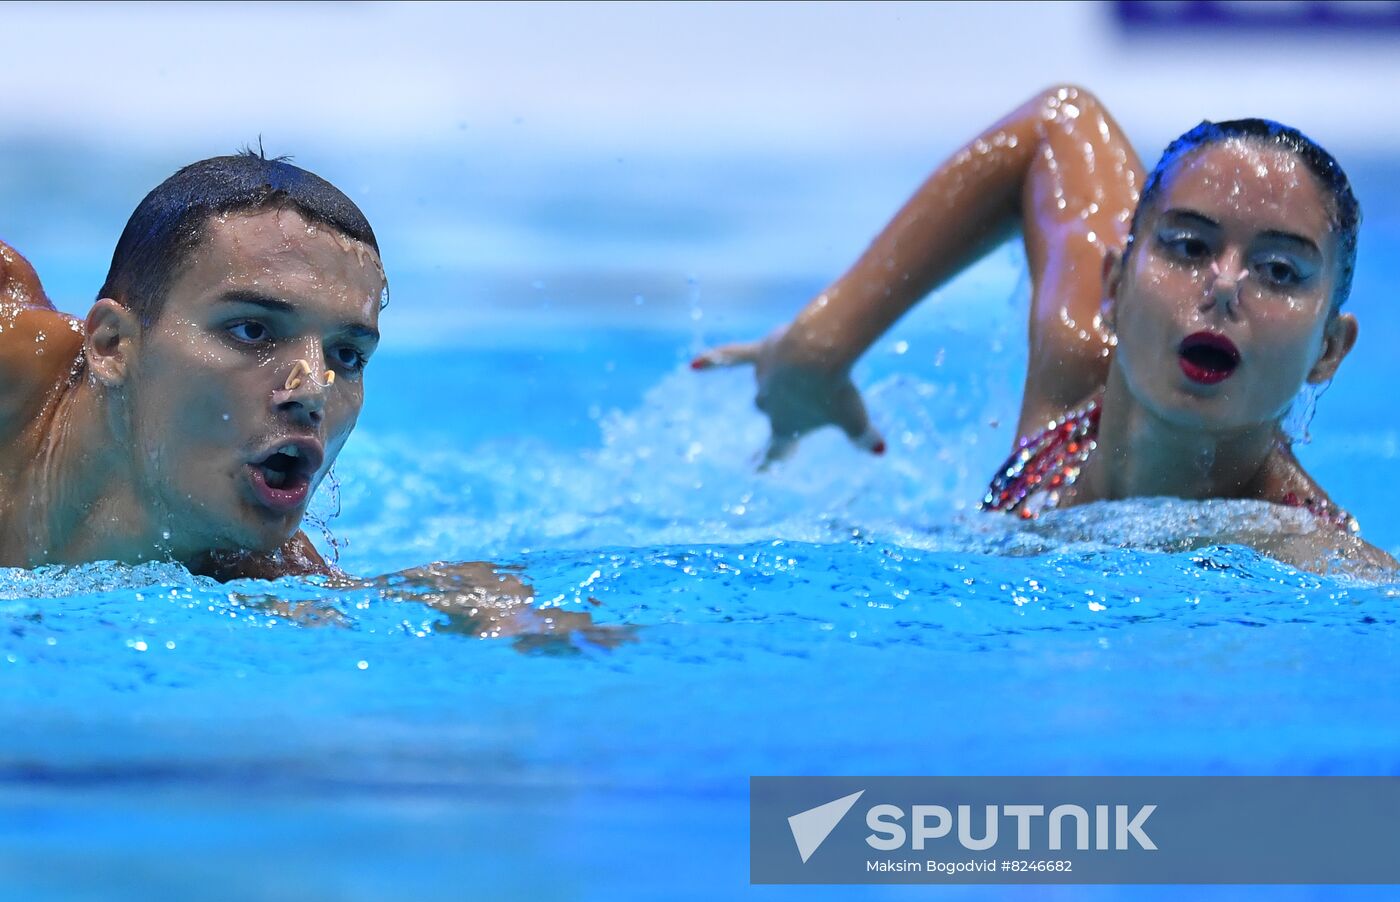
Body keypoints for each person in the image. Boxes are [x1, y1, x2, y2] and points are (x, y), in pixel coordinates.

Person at [693, 85, 1395, 574]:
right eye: (1188, 246)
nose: (1223, 285)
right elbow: (1060, 122)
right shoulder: (1076, 364)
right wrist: (819, 348)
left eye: (1278, 270)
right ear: (1114, 289)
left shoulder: (1301, 550)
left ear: (1329, 350)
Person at [0, 151, 613, 640]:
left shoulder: (247, 565)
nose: (310, 392)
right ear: (112, 346)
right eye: (253, 330)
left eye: (347, 356)